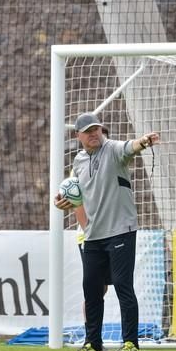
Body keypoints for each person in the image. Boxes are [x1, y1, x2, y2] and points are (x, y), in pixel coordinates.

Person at [56, 112, 159, 351]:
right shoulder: (79, 161)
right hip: (92, 235)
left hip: (120, 230)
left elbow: (130, 147)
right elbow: (78, 195)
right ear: (78, 135)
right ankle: (93, 345)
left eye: (97, 129)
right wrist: (66, 203)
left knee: (123, 287)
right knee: (91, 290)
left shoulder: (113, 149)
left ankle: (131, 345)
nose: (94, 134)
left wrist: (143, 141)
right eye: (88, 131)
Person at [76, 126, 111, 325]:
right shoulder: (80, 164)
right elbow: (76, 201)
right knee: (96, 288)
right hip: (89, 236)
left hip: (113, 233)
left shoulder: (112, 160)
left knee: (107, 287)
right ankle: (91, 336)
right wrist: (88, 228)